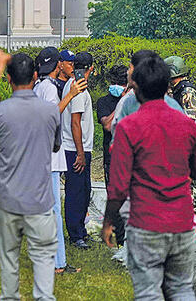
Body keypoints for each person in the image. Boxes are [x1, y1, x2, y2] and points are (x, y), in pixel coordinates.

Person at [102, 54, 196, 300]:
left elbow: (117, 187)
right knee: (181, 288)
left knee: (149, 292)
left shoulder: (129, 127)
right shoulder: (187, 124)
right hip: (181, 222)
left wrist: (109, 221)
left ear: (135, 88)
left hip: (146, 222)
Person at [0, 53, 62, 301]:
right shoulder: (51, 111)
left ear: (8, 79)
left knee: (9, 262)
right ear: (36, 76)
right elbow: (56, 146)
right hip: (39, 199)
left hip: (9, 199)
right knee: (43, 261)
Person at [33, 46, 89, 274]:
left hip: (46, 154)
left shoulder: (42, 86)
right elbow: (50, 115)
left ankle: (52, 261)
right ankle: (57, 264)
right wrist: (71, 95)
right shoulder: (47, 88)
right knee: (53, 210)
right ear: (57, 65)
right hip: (49, 156)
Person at [62, 51, 95, 250]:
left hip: (78, 146)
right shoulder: (78, 88)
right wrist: (80, 153)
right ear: (91, 68)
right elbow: (76, 122)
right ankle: (75, 234)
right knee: (76, 192)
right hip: (75, 148)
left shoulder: (73, 85)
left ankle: (80, 230)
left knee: (84, 190)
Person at [96, 64, 129, 260]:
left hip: (131, 158)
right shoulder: (104, 102)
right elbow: (108, 125)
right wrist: (122, 101)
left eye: (121, 83)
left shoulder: (134, 101)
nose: (117, 86)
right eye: (114, 83)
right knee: (115, 199)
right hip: (112, 159)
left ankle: (130, 242)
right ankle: (120, 240)